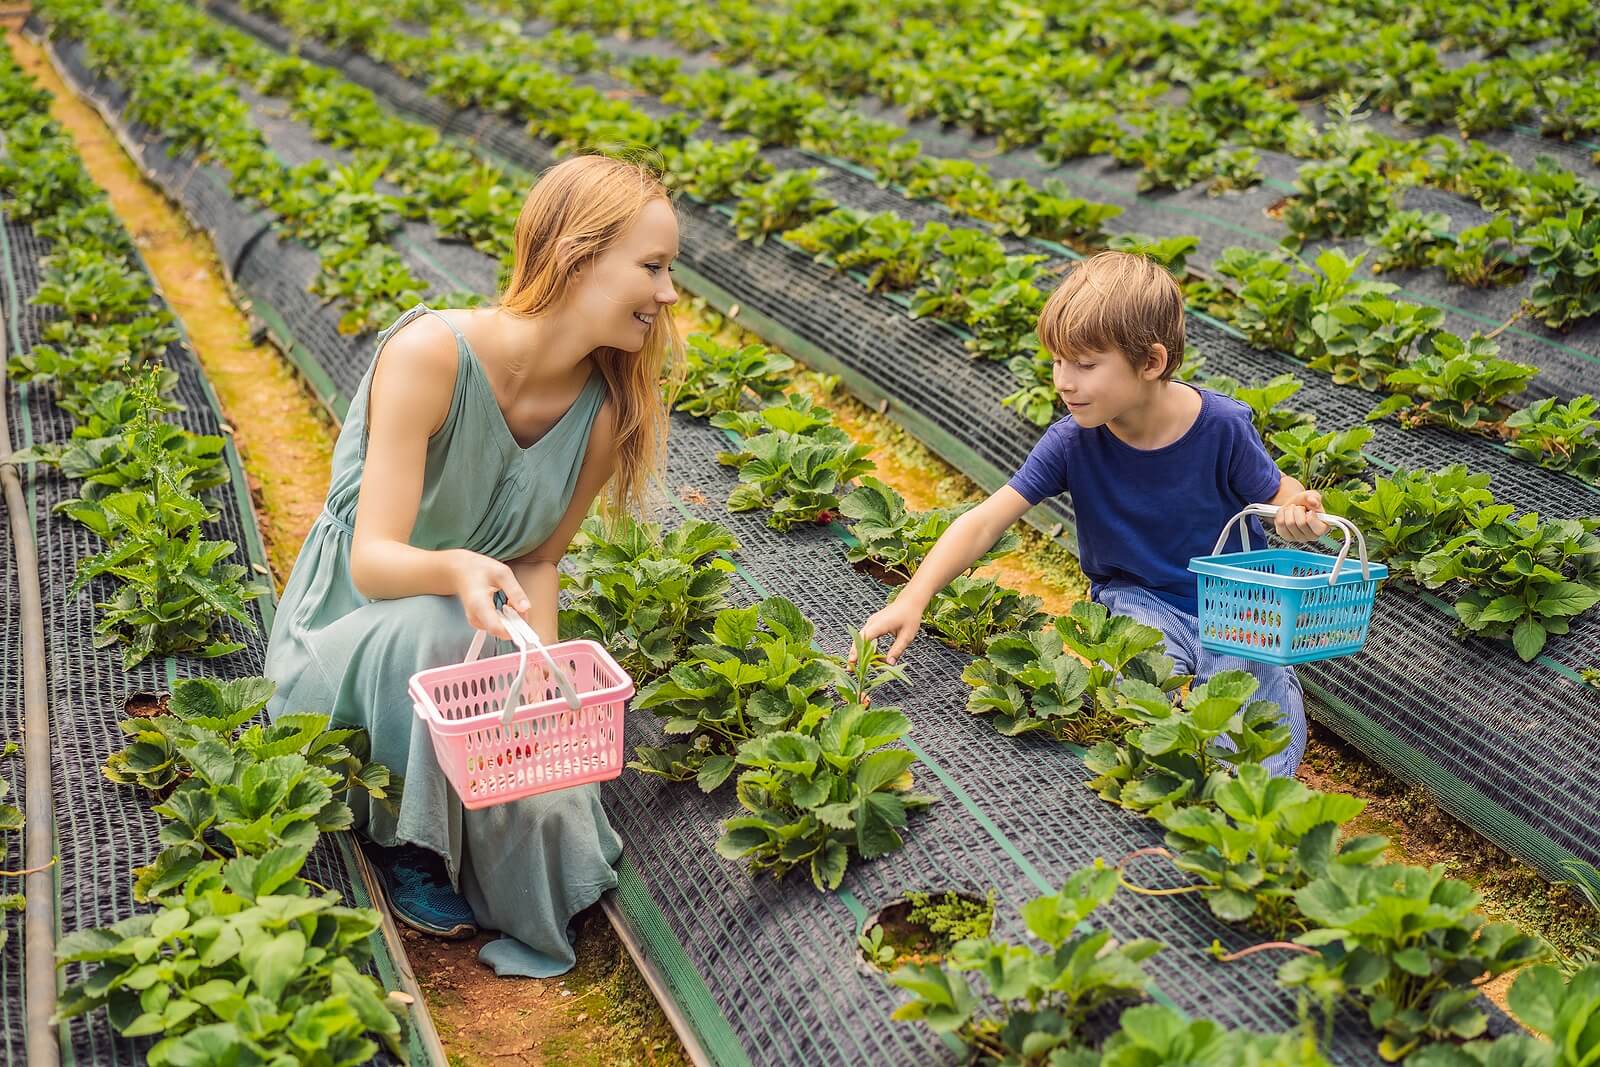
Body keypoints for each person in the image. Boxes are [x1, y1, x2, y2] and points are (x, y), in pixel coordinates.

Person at [263, 154, 681, 976]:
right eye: (653, 266)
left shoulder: (603, 413)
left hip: (465, 647)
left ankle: (472, 820)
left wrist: (541, 695)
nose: (669, 293)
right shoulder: (431, 353)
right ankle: (403, 839)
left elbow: (539, 561)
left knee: (550, 804)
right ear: (578, 257)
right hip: (346, 646)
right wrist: (459, 568)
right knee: (442, 615)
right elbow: (376, 562)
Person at [857, 251, 1328, 776]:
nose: (1064, 381)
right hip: (1136, 597)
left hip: (1235, 601)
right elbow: (986, 520)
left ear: (1150, 363)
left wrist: (1297, 509)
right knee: (1139, 694)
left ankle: (1270, 707)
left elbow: (1280, 491)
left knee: (1254, 747)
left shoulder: (1221, 426)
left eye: (1085, 364)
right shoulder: (1071, 443)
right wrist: (912, 599)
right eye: (1057, 361)